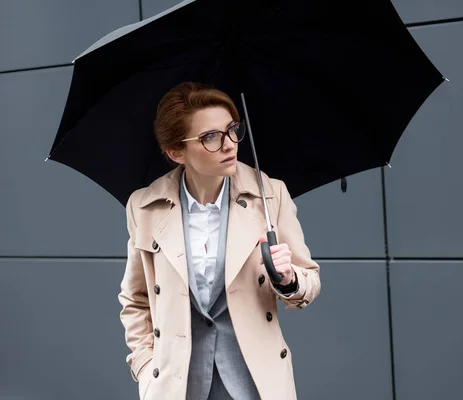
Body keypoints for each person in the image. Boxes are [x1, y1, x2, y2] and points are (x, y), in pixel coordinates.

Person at [117, 82, 321, 400]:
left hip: (255, 381)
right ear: (175, 152)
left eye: (231, 130)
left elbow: (309, 281)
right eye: (210, 137)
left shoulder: (269, 194)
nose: (229, 145)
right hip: (178, 386)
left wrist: (290, 280)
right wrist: (146, 368)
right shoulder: (144, 206)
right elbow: (136, 301)